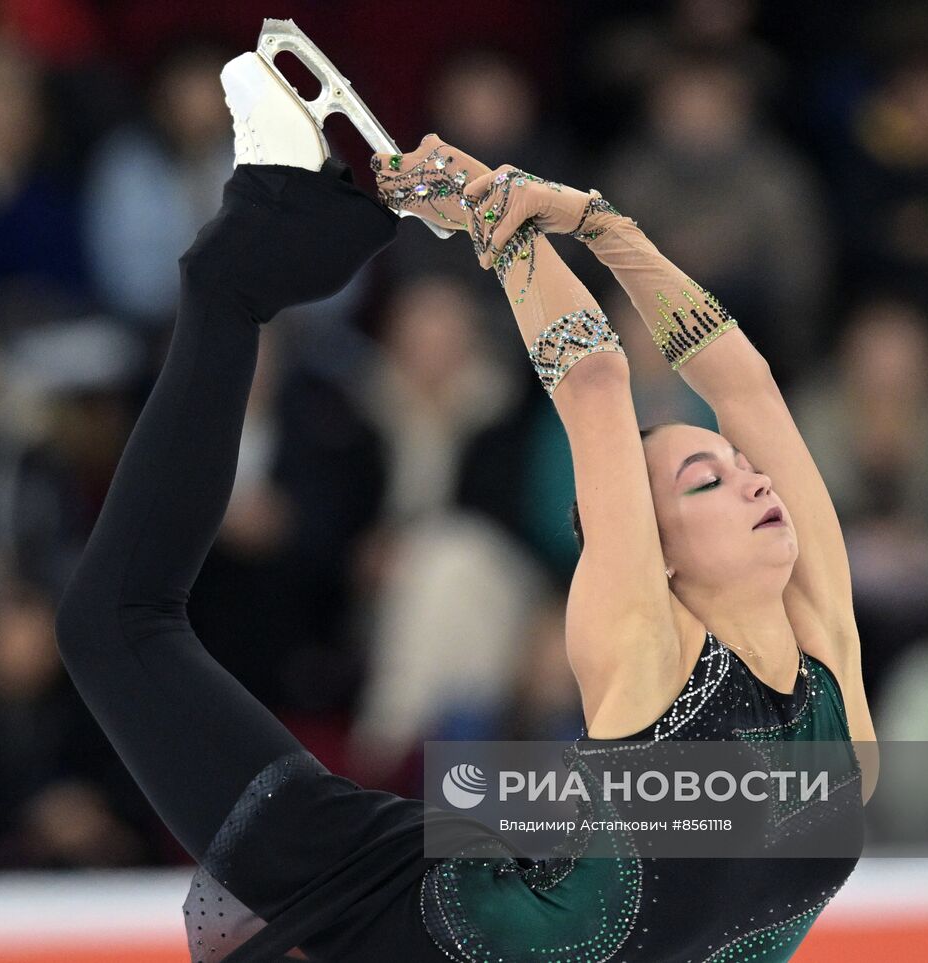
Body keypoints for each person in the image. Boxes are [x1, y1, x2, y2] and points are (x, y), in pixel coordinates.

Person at [56, 36, 872, 963]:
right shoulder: (646, 649)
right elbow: (597, 383)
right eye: (707, 478)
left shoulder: (830, 668)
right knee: (115, 625)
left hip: (497, 894)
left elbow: (748, 388)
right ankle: (235, 271)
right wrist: (505, 226)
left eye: (728, 465)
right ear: (658, 553)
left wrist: (601, 227)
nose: (757, 475)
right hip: (395, 912)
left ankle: (269, 234)